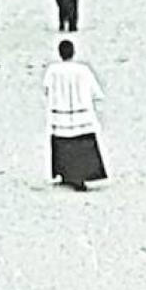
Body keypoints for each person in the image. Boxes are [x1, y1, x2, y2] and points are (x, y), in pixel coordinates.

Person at [43, 40, 107, 191]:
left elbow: (46, 89)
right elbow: (96, 92)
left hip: (60, 115)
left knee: (62, 144)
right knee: (81, 146)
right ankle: (81, 176)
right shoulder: (83, 70)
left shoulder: (53, 70)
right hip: (82, 114)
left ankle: (64, 174)